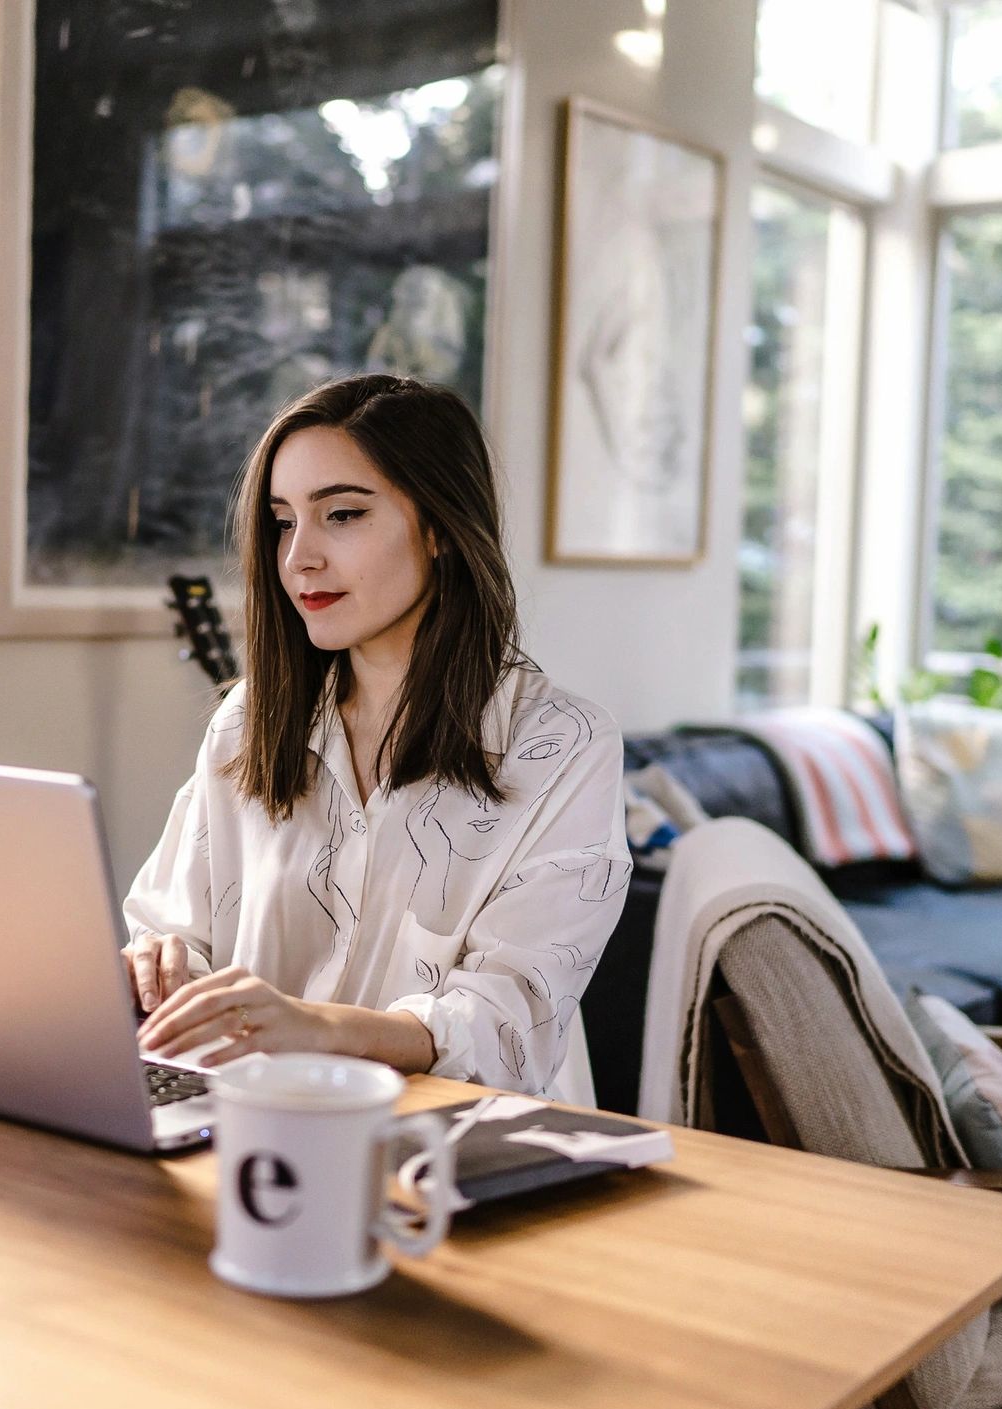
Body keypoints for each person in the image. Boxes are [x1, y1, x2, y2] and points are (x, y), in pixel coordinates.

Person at [126, 373, 630, 1098]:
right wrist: (160, 963)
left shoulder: (565, 747)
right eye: (283, 520)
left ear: (438, 527)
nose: (300, 557)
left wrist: (314, 1028)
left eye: (342, 515)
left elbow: (508, 1023)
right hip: (253, 1133)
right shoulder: (248, 719)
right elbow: (172, 931)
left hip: (465, 1157)